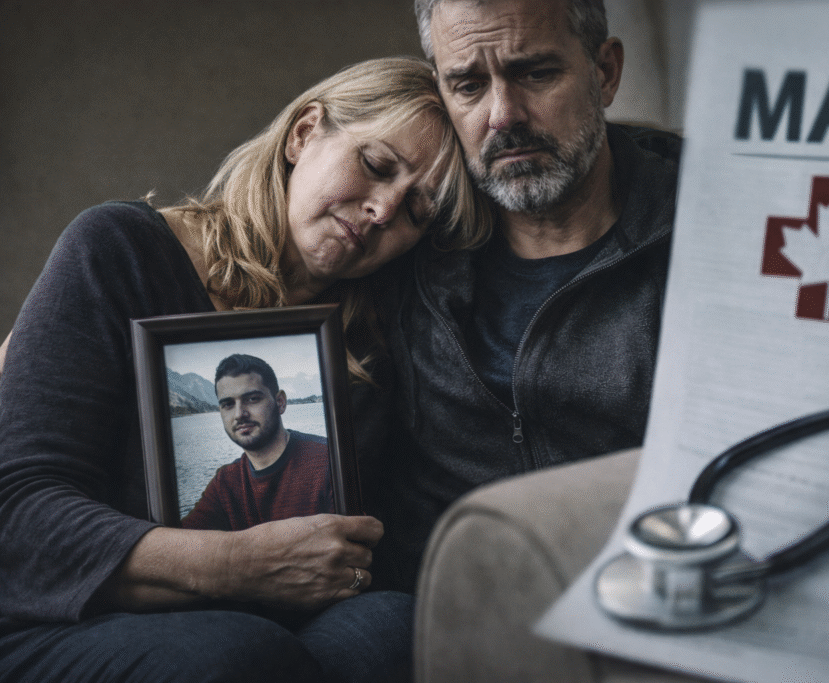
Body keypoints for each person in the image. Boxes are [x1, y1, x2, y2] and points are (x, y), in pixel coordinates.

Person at [0, 57, 486, 683]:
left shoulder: (377, 338)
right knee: (236, 652)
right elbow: (18, 514)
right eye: (375, 165)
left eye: (417, 210)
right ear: (304, 132)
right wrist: (237, 564)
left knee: (394, 630)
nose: (384, 211)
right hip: (63, 618)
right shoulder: (118, 249)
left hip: (273, 622)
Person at [368, 0, 682, 592]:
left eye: (536, 73)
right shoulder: (403, 238)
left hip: (646, 598)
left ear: (605, 72)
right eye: (468, 85)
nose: (502, 116)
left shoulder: (712, 234)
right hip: (438, 619)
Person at [181, 354, 334, 532]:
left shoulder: (329, 461)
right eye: (228, 404)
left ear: (280, 402)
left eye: (252, 399)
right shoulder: (226, 482)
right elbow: (179, 543)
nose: (239, 414)